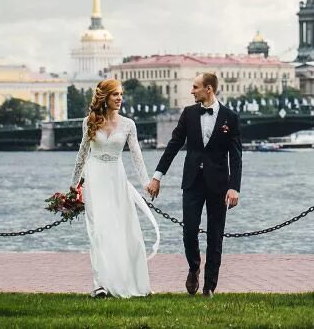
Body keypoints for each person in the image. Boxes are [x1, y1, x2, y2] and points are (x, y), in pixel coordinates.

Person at [146, 72, 242, 297]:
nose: (192, 91)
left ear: (209, 89)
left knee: (215, 235)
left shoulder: (230, 117)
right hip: (192, 183)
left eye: (195, 87)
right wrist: (157, 176)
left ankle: (209, 286)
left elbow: (236, 156)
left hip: (219, 184)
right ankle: (193, 268)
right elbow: (173, 145)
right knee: (189, 231)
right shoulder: (188, 114)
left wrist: (234, 187)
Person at [71, 78, 159, 298]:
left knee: (124, 230)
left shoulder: (128, 124)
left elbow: (137, 156)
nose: (120, 98)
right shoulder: (89, 121)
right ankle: (100, 284)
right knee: (98, 231)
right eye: (115, 94)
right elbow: (82, 155)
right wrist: (74, 186)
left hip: (117, 178)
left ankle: (130, 281)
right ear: (104, 97)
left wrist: (146, 183)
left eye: (121, 94)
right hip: (95, 177)